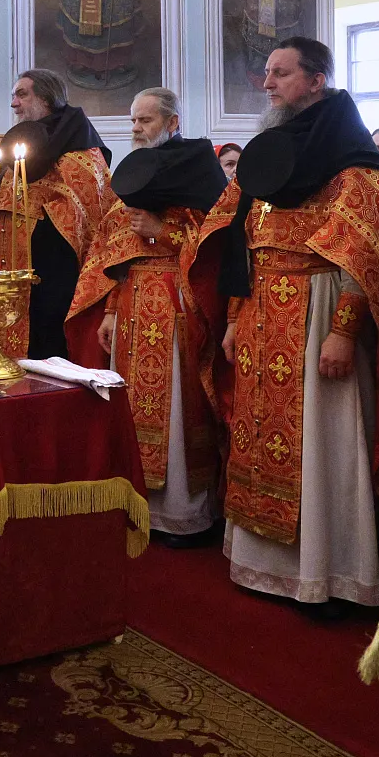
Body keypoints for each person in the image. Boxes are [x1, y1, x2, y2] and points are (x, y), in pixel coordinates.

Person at [188, 37, 379, 613]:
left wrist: (344, 329)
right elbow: (241, 242)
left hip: (321, 314)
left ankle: (329, 573)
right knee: (260, 434)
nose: (267, 85)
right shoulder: (269, 152)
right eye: (266, 73)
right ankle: (265, 566)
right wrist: (235, 316)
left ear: (316, 80)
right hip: (264, 313)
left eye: (280, 74)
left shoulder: (354, 163)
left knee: (325, 438)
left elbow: (367, 251)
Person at [67, 89, 229, 546]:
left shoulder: (198, 171)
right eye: (133, 121)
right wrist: (112, 310)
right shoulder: (132, 175)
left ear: (172, 123)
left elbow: (219, 241)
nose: (136, 129)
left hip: (180, 304)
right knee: (131, 407)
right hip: (134, 305)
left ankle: (182, 513)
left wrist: (166, 232)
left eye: (146, 121)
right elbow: (115, 251)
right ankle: (137, 502)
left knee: (181, 406)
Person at [0, 67, 113, 359]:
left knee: (50, 344)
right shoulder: (22, 142)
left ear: (46, 98)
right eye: (13, 96)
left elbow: (91, 207)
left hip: (58, 266)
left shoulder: (79, 145)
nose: (13, 104)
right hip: (16, 264)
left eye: (21, 94)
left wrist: (40, 203)